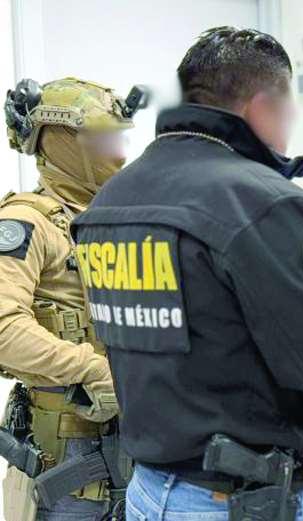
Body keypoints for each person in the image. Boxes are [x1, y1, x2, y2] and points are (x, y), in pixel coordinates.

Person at [71, 27, 303, 521]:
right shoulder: (259, 202)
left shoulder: (111, 199)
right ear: (262, 107)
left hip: (148, 491)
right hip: (236, 502)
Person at [1, 77, 141, 521]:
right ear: (62, 142)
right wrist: (93, 369)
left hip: (135, 441)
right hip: (66, 456)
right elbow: (3, 329)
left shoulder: (115, 221)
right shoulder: (27, 223)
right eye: (103, 139)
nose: (119, 153)